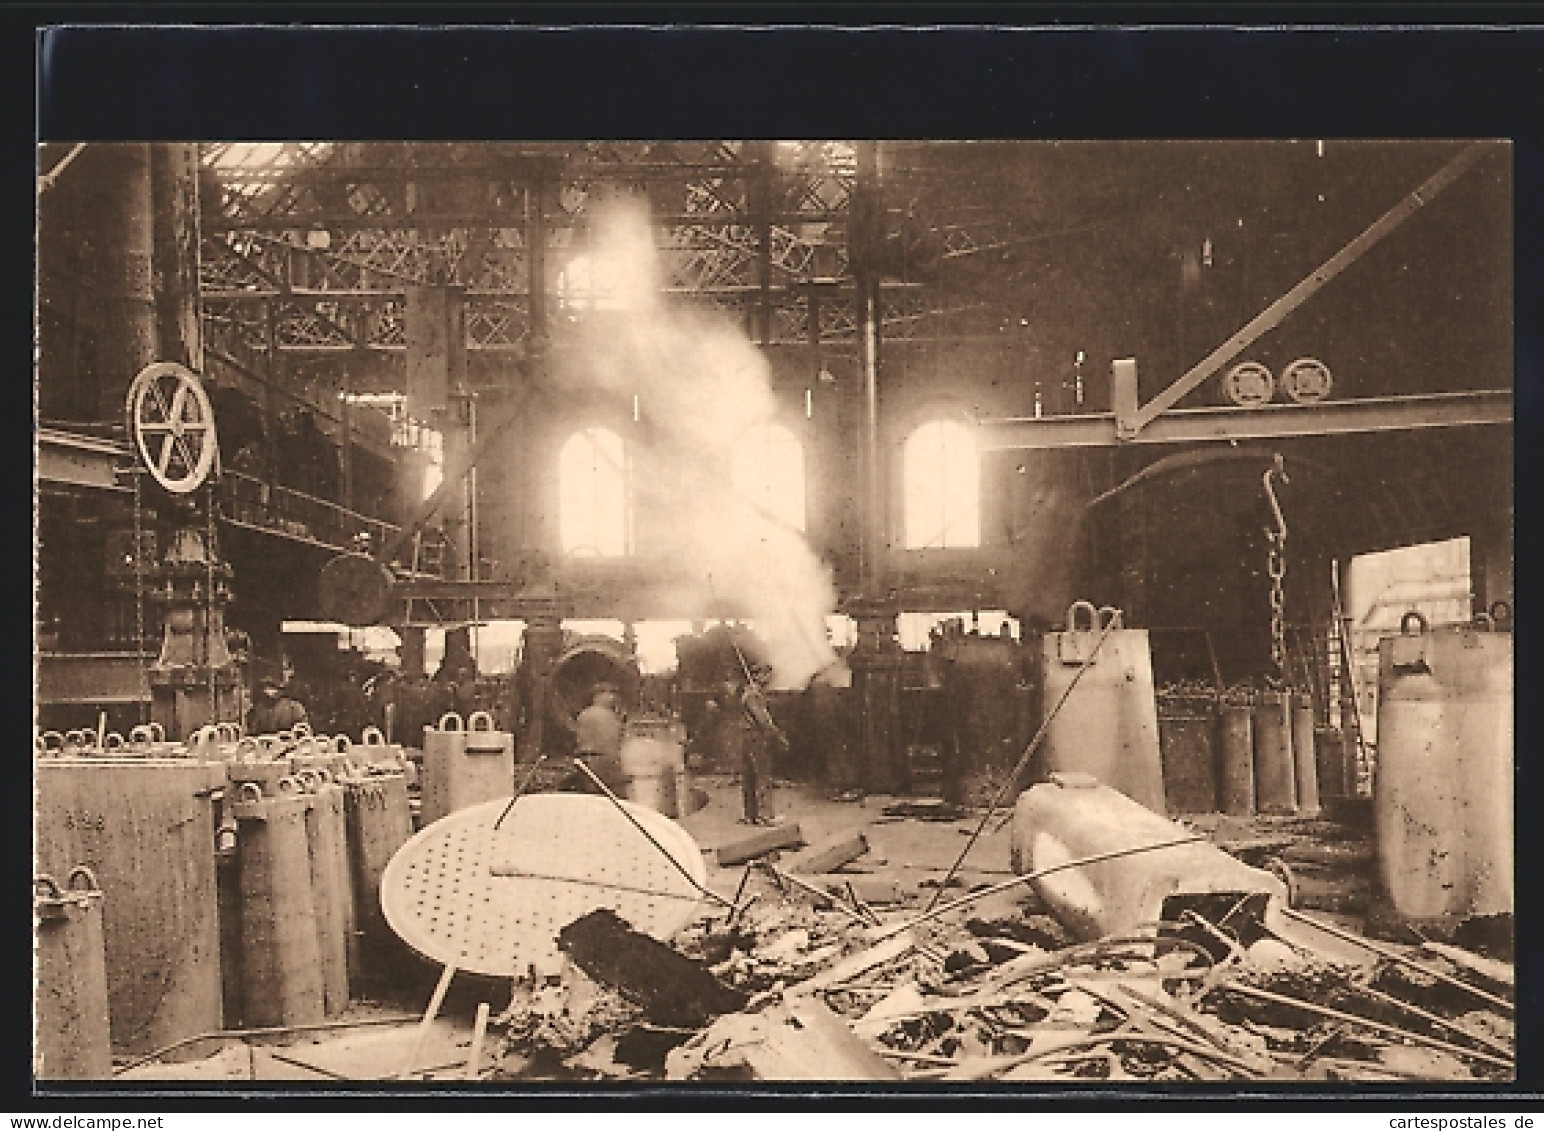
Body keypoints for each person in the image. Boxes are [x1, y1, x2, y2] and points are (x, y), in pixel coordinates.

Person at [565, 683, 626, 793]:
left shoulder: (584, 714)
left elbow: (578, 740)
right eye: (610, 693)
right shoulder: (608, 716)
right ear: (598, 696)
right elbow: (617, 742)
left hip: (588, 761)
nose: (614, 697)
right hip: (604, 762)